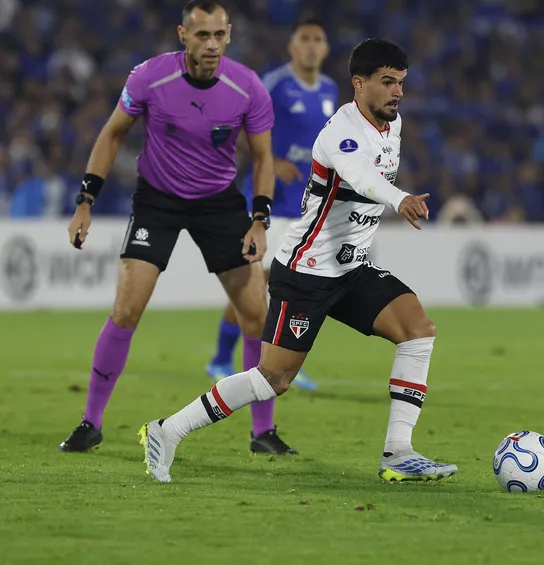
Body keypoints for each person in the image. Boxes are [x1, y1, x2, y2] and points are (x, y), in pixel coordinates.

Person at [138, 38, 459, 483]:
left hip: (350, 268)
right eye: (387, 82)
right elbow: (362, 178)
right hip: (306, 273)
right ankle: (167, 430)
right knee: (273, 378)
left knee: (418, 330)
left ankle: (398, 452)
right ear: (359, 83)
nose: (397, 92)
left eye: (401, 83)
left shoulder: (393, 123)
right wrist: (399, 197)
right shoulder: (340, 134)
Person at [59, 0, 300, 456]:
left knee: (256, 315)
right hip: (158, 201)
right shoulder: (150, 77)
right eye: (202, 35)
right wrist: (85, 202)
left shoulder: (246, 87)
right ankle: (90, 422)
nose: (212, 44)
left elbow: (264, 157)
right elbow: (112, 133)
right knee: (127, 309)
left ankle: (262, 431)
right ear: (182, 35)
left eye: (220, 35)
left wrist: (259, 220)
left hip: (219, 204)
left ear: (229, 36)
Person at [206, 18, 338, 403]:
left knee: (297, 287)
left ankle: (284, 362)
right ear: (292, 47)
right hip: (269, 200)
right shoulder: (275, 83)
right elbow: (241, 123)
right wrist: (273, 159)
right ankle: (219, 358)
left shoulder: (330, 89)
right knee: (259, 281)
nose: (312, 46)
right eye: (305, 39)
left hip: (306, 204)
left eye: (319, 39)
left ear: (326, 49)